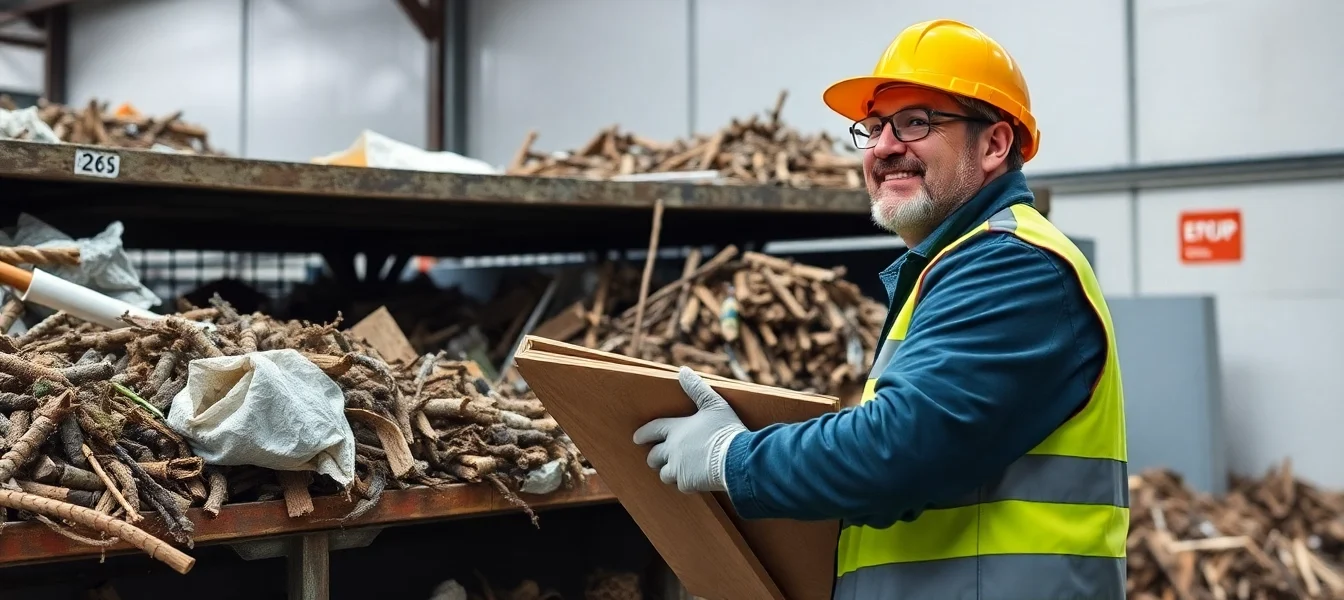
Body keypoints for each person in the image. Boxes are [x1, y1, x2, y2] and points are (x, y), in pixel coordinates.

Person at [632, 19, 1129, 600]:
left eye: (916, 122)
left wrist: (733, 459)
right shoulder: (955, 264)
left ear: (994, 145)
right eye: (873, 128)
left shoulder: (1012, 265)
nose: (886, 147)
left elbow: (898, 449)